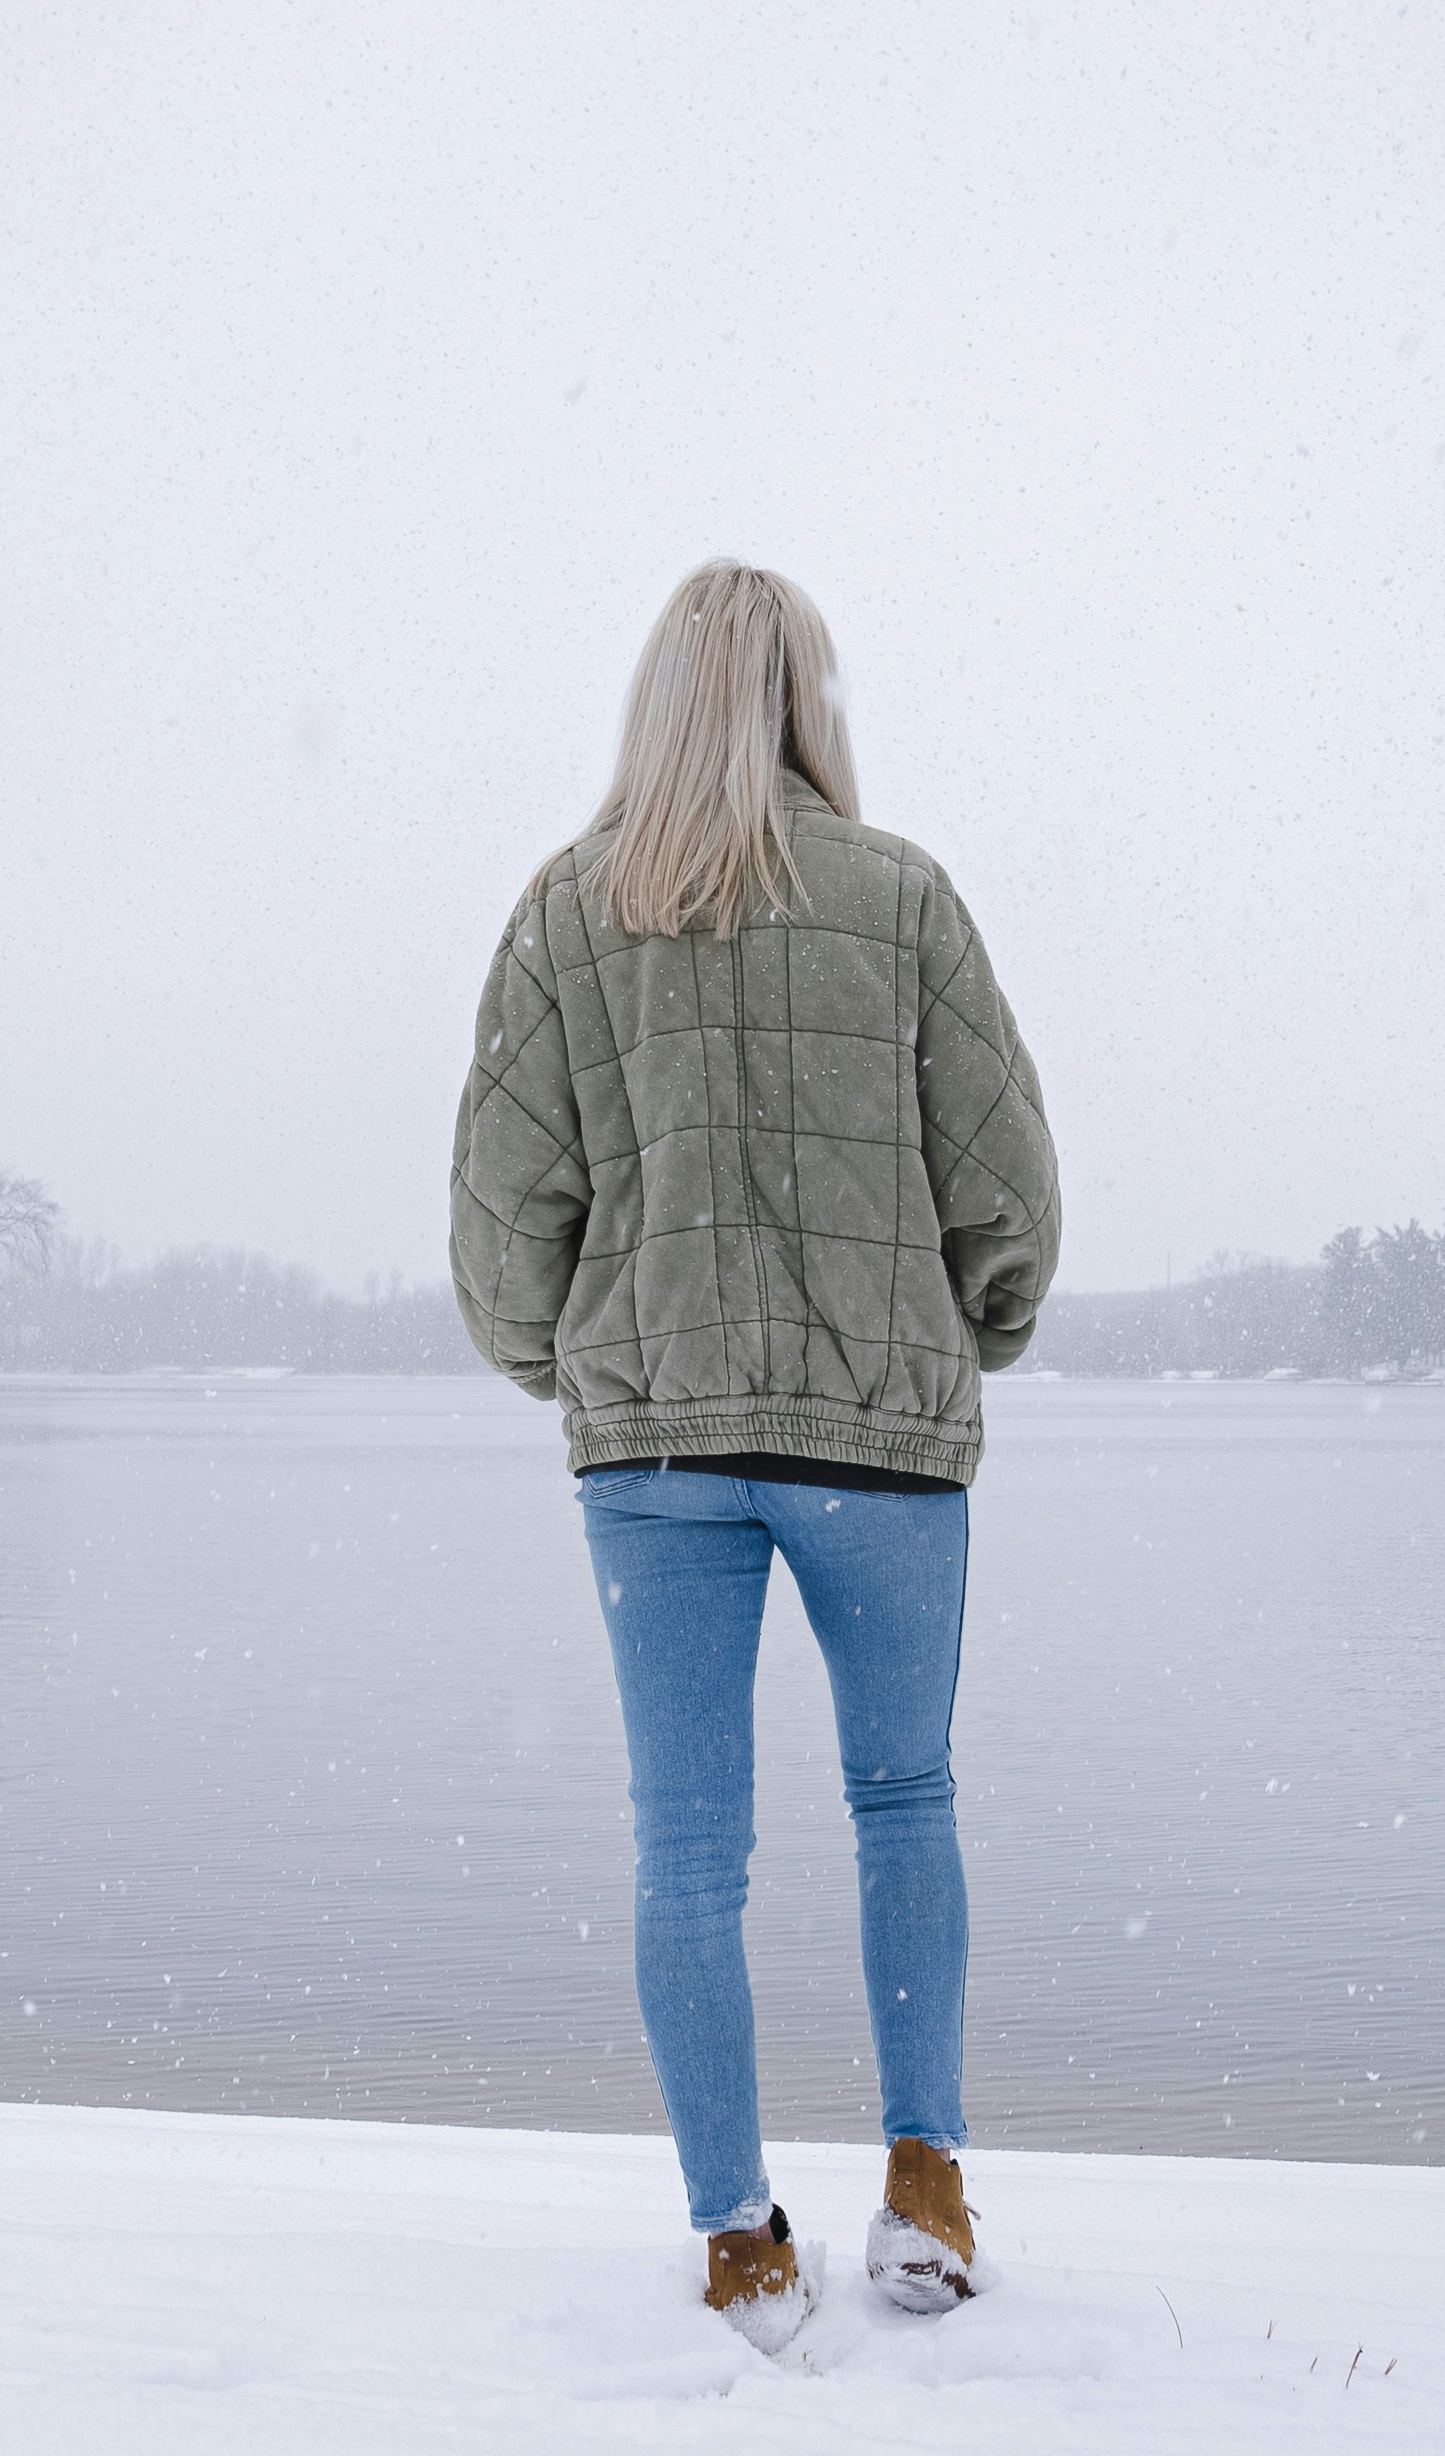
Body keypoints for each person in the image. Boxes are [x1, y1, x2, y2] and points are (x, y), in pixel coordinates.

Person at [449, 558, 1060, 2352]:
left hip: (656, 1454)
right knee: (905, 1805)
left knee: (686, 1852)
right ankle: (926, 2186)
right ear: (809, 698)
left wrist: (569, 1360)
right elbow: (1005, 1182)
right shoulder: (904, 900)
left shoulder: (569, 915)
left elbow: (504, 1219)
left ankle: (740, 2239)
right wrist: (975, 1327)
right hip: (882, 1444)